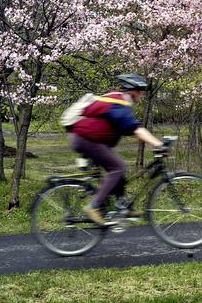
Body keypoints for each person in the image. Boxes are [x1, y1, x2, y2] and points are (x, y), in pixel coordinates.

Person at [67, 73, 163, 225]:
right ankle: (94, 207)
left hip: (90, 139)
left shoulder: (116, 99)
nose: (142, 95)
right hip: (85, 140)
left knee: (119, 169)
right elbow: (136, 129)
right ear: (132, 91)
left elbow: (127, 128)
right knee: (118, 167)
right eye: (140, 91)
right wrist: (159, 145)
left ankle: (121, 205)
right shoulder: (117, 104)